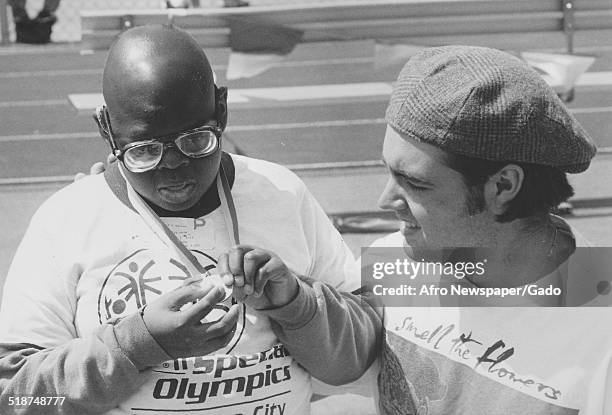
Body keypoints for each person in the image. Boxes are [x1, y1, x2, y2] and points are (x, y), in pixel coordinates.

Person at [0, 25, 380, 414]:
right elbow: (16, 397)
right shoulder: (68, 218)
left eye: (197, 140)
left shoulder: (281, 193)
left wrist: (297, 303)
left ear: (223, 110)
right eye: (144, 150)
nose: (174, 164)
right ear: (107, 130)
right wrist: (137, 344)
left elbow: (364, 354)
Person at [368, 45, 611, 414]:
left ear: (502, 187)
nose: (385, 201)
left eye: (414, 183)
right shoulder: (393, 265)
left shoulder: (601, 327)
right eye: (389, 171)